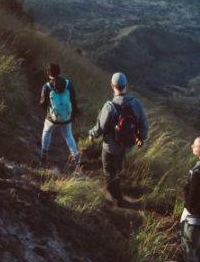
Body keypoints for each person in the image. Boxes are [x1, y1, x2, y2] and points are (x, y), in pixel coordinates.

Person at [87, 72, 149, 206]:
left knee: (109, 171)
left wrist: (91, 134)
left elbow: (100, 128)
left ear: (112, 86)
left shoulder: (109, 106)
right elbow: (144, 124)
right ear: (126, 85)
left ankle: (117, 200)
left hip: (110, 146)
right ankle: (117, 188)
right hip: (127, 146)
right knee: (118, 167)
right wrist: (141, 138)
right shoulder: (136, 103)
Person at [38, 63, 81, 167]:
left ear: (48, 74)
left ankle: (43, 156)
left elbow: (43, 103)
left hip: (52, 118)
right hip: (67, 117)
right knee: (68, 135)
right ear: (60, 72)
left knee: (47, 132)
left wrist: (49, 112)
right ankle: (77, 159)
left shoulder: (46, 87)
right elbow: (73, 101)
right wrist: (73, 115)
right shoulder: (68, 84)